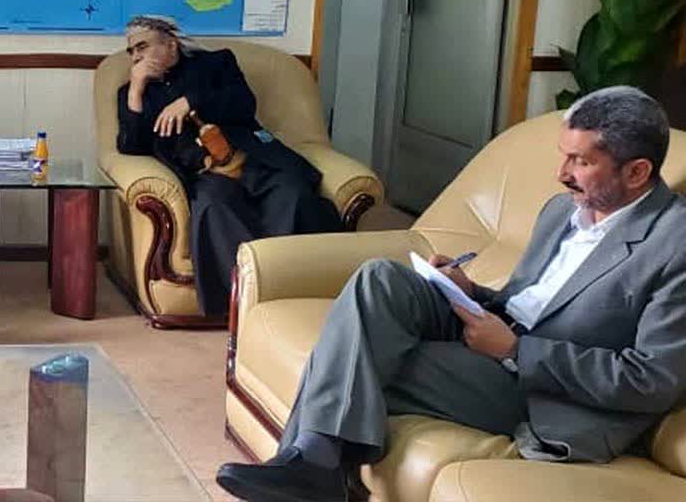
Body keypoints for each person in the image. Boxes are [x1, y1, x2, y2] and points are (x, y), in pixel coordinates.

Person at [215, 86, 686, 502]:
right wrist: (470, 291)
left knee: (360, 355)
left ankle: (315, 465)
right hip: (501, 334)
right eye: (563, 156)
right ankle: (316, 466)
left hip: (547, 390)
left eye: (581, 162)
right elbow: (529, 300)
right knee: (379, 279)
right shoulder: (562, 211)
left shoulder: (674, 245)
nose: (561, 174)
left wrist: (517, 351)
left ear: (637, 172)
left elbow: (652, 380)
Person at [116, 14, 342, 316]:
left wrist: (190, 101)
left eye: (143, 47)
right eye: (131, 51)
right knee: (213, 208)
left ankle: (297, 288)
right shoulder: (133, 93)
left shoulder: (217, 63)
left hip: (252, 159)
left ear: (171, 45)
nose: (136, 57)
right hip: (205, 174)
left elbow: (243, 104)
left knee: (294, 194)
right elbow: (131, 145)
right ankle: (245, 300)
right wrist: (136, 90)